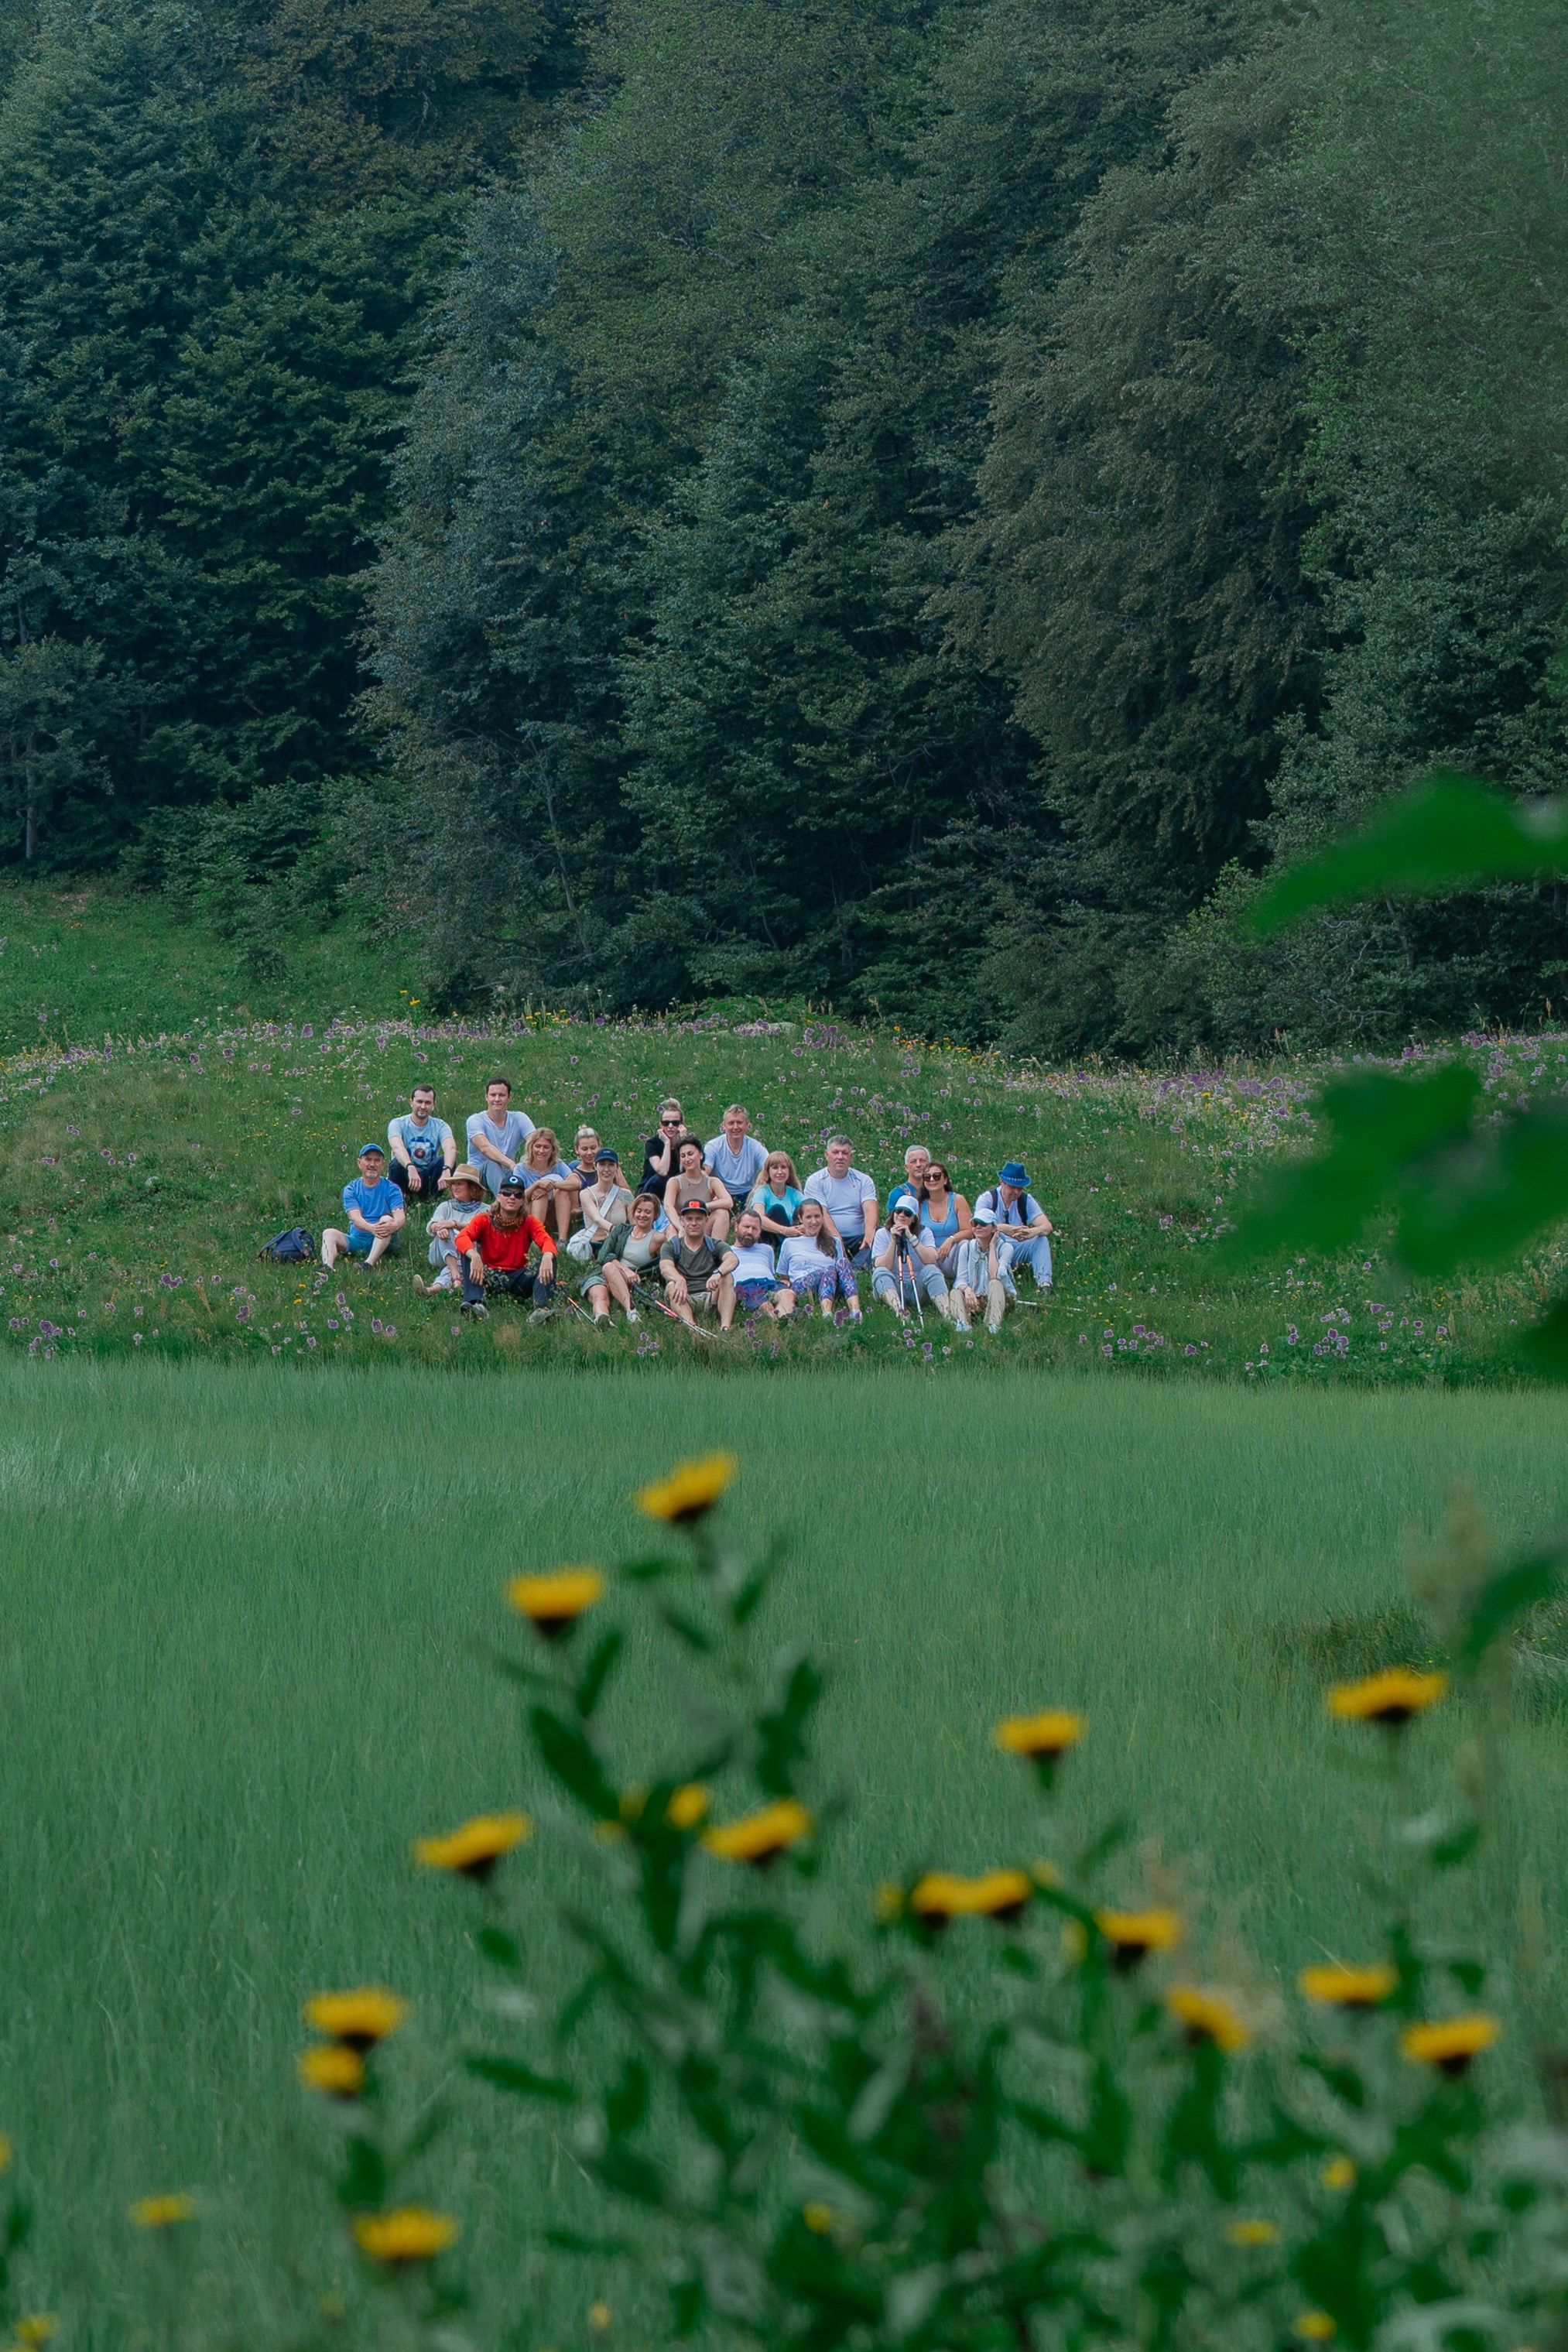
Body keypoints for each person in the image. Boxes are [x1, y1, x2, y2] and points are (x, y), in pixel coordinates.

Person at [960, 1161, 1054, 1333]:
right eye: (1013, 1187)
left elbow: (1047, 1226)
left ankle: (1045, 1284)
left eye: (1020, 1188)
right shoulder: (987, 1199)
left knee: (1041, 1240)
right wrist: (1007, 1229)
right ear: (1002, 1182)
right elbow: (979, 1227)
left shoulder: (1026, 1200)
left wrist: (1033, 1231)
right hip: (995, 1247)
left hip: (1018, 1247)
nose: (1017, 1192)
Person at [454, 1174, 556, 1321]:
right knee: (467, 1253)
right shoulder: (485, 1219)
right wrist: (475, 1255)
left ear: (522, 1201)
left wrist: (547, 1256)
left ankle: (541, 1309)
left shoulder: (529, 1221)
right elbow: (462, 1237)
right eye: (507, 1193)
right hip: (489, 1276)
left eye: (518, 1194)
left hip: (519, 1277)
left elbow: (547, 1240)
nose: (512, 1197)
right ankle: (475, 1304)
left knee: (550, 1258)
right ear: (499, 1196)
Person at [583, 1189, 663, 1324]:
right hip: (607, 1273)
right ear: (634, 1211)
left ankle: (631, 1310)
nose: (642, 1215)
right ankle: (602, 1318)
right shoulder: (621, 1230)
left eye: (647, 1212)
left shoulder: (658, 1239)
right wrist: (625, 1270)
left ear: (655, 1215)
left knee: (609, 1267)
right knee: (599, 1294)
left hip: (633, 1279)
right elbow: (603, 1255)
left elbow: (662, 1265)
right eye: (639, 1211)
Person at [322, 1143, 406, 1269]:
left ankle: (368, 1264)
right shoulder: (351, 1189)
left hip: (385, 1239)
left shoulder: (392, 1189)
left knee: (386, 1220)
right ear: (359, 1163)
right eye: (368, 1159)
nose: (372, 1164)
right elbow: (356, 1218)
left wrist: (394, 1225)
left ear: (382, 1165)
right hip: (358, 1239)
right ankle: (327, 1268)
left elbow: (400, 1216)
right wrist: (371, 1228)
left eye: (377, 1160)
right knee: (329, 1233)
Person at [659, 1194, 736, 1330]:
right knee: (672, 1285)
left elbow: (732, 1259)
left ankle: (725, 1327)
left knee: (727, 1277)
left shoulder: (715, 1244)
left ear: (706, 1221)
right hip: (684, 1296)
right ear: (682, 1221)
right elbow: (665, 1266)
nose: (694, 1223)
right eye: (689, 1219)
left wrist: (718, 1273)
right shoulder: (672, 1245)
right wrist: (679, 1279)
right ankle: (692, 1327)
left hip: (710, 1296)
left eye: (699, 1219)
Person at [776, 1197, 861, 1320]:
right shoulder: (790, 1243)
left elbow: (842, 1272)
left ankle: (856, 1311)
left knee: (843, 1262)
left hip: (832, 1284)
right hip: (804, 1285)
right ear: (800, 1219)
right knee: (828, 1270)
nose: (814, 1221)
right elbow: (784, 1276)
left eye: (817, 1216)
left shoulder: (834, 1242)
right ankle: (826, 1313)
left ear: (823, 1217)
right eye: (809, 1217)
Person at [803, 1135, 879, 1265]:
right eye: (835, 1152)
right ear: (827, 1155)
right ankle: (853, 1265)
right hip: (828, 1237)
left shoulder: (863, 1180)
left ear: (851, 1157)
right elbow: (822, 1213)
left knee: (882, 1235)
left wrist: (869, 1234)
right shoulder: (815, 1181)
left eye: (845, 1153)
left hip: (859, 1239)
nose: (840, 1157)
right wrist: (838, 1241)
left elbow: (870, 1208)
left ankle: (856, 1268)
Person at [871, 1193, 950, 1320]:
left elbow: (931, 1259)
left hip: (917, 1285)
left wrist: (911, 1237)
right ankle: (900, 1312)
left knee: (932, 1270)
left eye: (907, 1213)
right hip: (894, 1284)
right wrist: (893, 1240)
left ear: (913, 1218)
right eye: (898, 1211)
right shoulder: (882, 1233)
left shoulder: (925, 1232)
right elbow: (883, 1265)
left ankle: (947, 1314)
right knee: (880, 1272)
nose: (901, 1215)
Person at [918, 1161, 974, 1330]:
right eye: (927, 1177)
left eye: (937, 1176)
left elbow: (969, 1230)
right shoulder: (920, 1205)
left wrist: (951, 1240)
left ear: (945, 1180)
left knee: (966, 1245)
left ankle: (962, 1285)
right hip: (930, 1256)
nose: (932, 1180)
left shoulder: (957, 1200)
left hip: (953, 1252)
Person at [415, 1162, 486, 1294]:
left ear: (472, 1188)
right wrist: (440, 1228)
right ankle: (455, 1274)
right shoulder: (446, 1206)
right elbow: (431, 1226)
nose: (455, 1187)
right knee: (445, 1229)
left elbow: (482, 1230)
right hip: (442, 1252)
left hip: (470, 1255)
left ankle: (432, 1289)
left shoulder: (485, 1210)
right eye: (453, 1184)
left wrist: (454, 1224)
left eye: (460, 1184)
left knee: (459, 1258)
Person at [387, 1084, 456, 1208]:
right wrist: (410, 1167)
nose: (423, 1107)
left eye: (428, 1103)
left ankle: (432, 1201)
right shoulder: (398, 1124)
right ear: (411, 1102)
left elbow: (450, 1147)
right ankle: (399, 1201)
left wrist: (447, 1169)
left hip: (427, 1177)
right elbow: (397, 1148)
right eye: (419, 1102)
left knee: (447, 1161)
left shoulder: (441, 1126)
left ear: (434, 1104)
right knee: (396, 1164)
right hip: (405, 1174)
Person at [466, 1078, 536, 1197]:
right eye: (493, 1095)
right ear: (486, 1097)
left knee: (531, 1159)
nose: (497, 1099)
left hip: (508, 1171)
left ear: (509, 1097)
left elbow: (535, 1141)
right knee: (491, 1164)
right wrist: (511, 1164)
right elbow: (485, 1148)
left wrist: (527, 1163)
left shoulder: (519, 1118)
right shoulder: (475, 1120)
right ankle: (506, 1201)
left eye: (502, 1095)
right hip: (479, 1174)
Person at [726, 1207, 795, 1320]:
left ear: (759, 1232)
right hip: (745, 1284)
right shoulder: (726, 1251)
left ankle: (784, 1319)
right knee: (764, 1304)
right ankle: (776, 1322)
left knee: (788, 1294)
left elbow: (771, 1271)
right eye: (746, 1227)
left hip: (769, 1282)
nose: (750, 1232)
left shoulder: (767, 1249)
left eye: (755, 1229)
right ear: (736, 1226)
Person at [515, 1126, 580, 1243]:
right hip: (529, 1210)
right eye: (538, 1146)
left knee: (562, 1190)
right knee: (539, 1194)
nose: (541, 1151)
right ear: (531, 1147)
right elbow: (517, 1197)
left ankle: (562, 1240)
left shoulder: (557, 1165)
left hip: (555, 1210)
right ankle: (536, 1239)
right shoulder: (521, 1168)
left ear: (552, 1150)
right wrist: (537, 1185)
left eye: (546, 1147)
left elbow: (576, 1183)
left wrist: (553, 1185)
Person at [569, 1148, 635, 1262]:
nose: (606, 1169)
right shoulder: (586, 1194)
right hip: (596, 1245)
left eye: (611, 1165)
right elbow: (597, 1219)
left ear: (617, 1168)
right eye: (602, 1164)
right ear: (595, 1166)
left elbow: (634, 1222)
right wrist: (616, 1230)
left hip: (619, 1243)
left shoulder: (626, 1195)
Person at [662, 1135, 732, 1242]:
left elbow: (728, 1202)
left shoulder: (712, 1181)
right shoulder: (675, 1182)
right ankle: (676, 1256)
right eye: (683, 1156)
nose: (687, 1159)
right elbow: (668, 1207)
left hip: (702, 1225)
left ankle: (716, 1252)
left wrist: (702, 1206)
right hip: (681, 1225)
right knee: (671, 1228)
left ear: (700, 1155)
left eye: (690, 1154)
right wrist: (681, 1227)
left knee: (722, 1213)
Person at [704, 1104, 768, 1203]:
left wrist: (760, 1186)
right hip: (721, 1195)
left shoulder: (756, 1147)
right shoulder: (713, 1146)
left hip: (748, 1194)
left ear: (747, 1125)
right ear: (724, 1126)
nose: (735, 1127)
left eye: (739, 1122)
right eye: (731, 1123)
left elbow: (770, 1167)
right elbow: (705, 1171)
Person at [747, 1151, 804, 1238]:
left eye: (784, 1167)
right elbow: (758, 1218)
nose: (780, 1172)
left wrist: (805, 1226)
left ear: (789, 1171)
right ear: (768, 1172)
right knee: (778, 1210)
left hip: (793, 1235)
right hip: (769, 1238)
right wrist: (785, 1231)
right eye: (775, 1168)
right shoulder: (762, 1192)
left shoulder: (795, 1193)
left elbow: (813, 1209)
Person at [638, 1100, 686, 1197]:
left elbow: (685, 1171)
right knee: (663, 1179)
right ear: (661, 1126)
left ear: (681, 1125)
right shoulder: (652, 1144)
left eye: (675, 1123)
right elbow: (662, 1171)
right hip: (651, 1192)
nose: (670, 1126)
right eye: (666, 1123)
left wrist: (683, 1142)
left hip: (677, 1192)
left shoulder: (688, 1145)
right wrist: (667, 1143)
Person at [883, 1144, 931, 1221]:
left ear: (929, 1165)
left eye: (922, 1161)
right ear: (907, 1168)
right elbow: (891, 1224)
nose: (918, 1165)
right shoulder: (898, 1194)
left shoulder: (937, 1191)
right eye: (913, 1161)